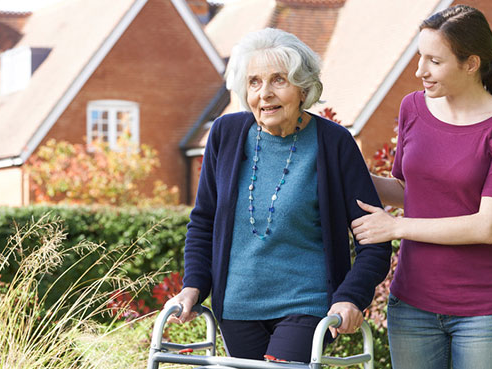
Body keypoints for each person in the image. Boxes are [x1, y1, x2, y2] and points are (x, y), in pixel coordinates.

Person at [166, 28, 391, 364]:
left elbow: (375, 239)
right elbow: (204, 222)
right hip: (237, 308)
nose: (265, 93)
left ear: (302, 87)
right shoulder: (225, 135)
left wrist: (350, 297)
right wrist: (193, 286)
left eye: (278, 81)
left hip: (307, 305)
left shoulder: (333, 143)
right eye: (255, 82)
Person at [351, 5, 492, 369]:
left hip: (481, 311)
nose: (420, 71)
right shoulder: (412, 108)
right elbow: (409, 191)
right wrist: (343, 174)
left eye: (434, 61)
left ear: (471, 63)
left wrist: (397, 226)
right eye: (420, 57)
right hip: (412, 304)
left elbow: (486, 226)